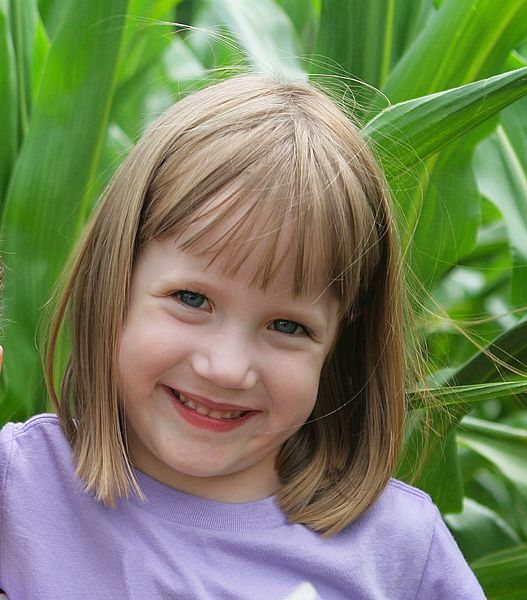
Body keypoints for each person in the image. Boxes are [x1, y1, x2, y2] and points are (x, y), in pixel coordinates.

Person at [0, 75, 485, 599]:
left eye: (287, 326)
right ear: (114, 281)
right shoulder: (16, 492)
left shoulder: (400, 554)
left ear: (342, 344)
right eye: (191, 299)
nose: (227, 367)